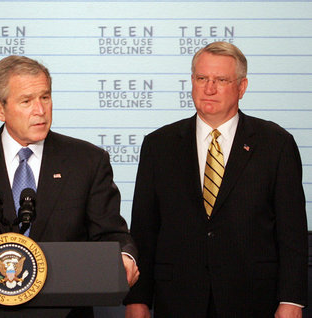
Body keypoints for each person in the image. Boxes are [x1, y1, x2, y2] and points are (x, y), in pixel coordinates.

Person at [0, 55, 139, 315]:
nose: (40, 110)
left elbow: (110, 233)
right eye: (26, 101)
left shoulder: (88, 161)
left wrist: (125, 255)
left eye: (45, 97)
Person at [124, 42, 307, 318]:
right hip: (178, 300)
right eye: (201, 79)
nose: (209, 88)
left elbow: (292, 232)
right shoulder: (158, 145)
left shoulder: (276, 144)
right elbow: (144, 230)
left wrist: (291, 300)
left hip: (253, 299)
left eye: (221, 80)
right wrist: (137, 301)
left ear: (242, 87)